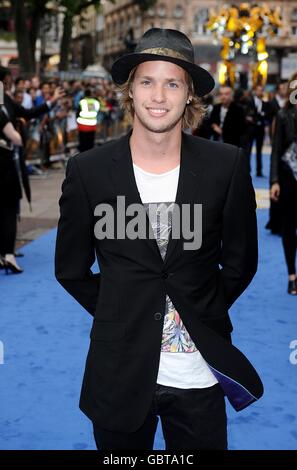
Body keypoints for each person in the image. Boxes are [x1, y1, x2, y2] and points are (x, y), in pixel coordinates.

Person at [55, 28, 263, 450]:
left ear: (189, 95)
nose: (158, 95)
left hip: (199, 374)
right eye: (147, 81)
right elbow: (71, 269)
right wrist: (122, 307)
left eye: (173, 83)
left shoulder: (226, 166)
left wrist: (202, 305)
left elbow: (242, 262)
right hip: (118, 369)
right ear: (130, 90)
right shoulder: (88, 171)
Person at [270, 73, 297, 295]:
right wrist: (274, 181)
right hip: (289, 179)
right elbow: (276, 151)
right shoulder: (283, 115)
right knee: (289, 228)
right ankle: (292, 275)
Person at [0, 108, 24, 273]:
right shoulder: (0, 114)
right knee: (9, 213)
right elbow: (17, 139)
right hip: (4, 169)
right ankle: (8, 256)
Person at [245, 85, 270, 177]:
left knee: (259, 151)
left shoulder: (265, 102)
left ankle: (259, 171)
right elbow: (246, 114)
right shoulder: (249, 101)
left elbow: (267, 115)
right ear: (255, 91)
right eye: (259, 90)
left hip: (260, 129)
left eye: (261, 90)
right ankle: (247, 169)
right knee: (249, 150)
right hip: (251, 129)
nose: (260, 92)